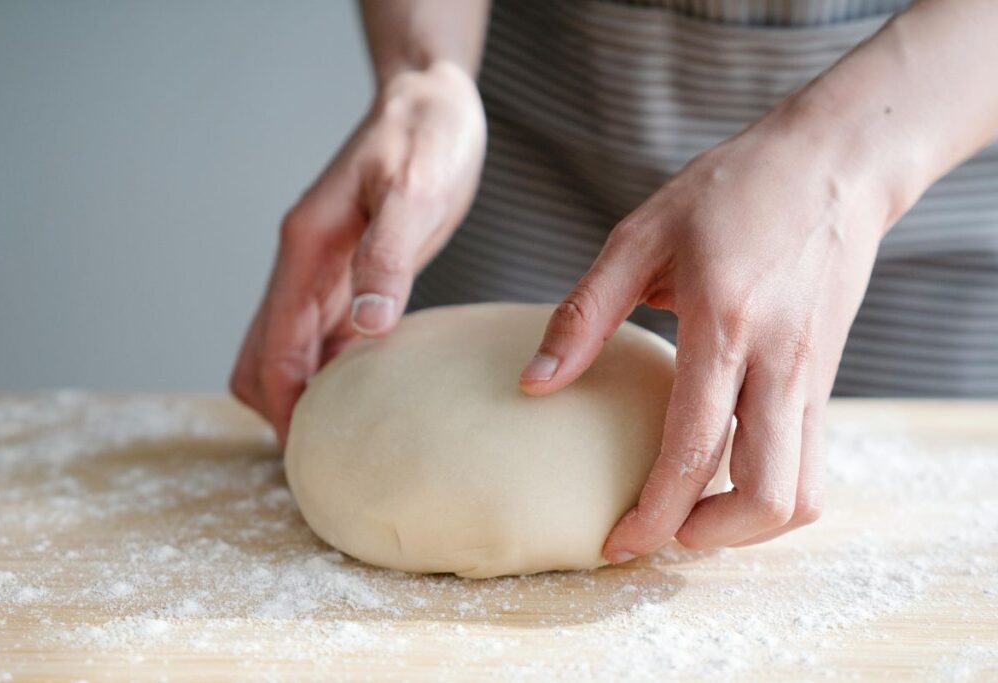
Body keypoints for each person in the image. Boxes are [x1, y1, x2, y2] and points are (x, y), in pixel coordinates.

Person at [231, 0, 998, 566]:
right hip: (535, 152)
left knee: (899, 501)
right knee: (436, 418)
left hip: (922, 162)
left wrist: (840, 163)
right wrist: (426, 67)